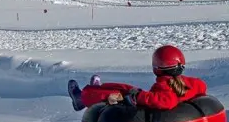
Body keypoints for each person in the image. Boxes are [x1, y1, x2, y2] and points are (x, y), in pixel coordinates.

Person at [67, 45, 207, 112]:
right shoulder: (190, 83)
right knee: (125, 88)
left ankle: (81, 99)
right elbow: (201, 86)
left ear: (156, 68)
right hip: (151, 103)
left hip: (143, 114)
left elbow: (166, 101)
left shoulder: (164, 85)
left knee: (119, 94)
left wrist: (139, 96)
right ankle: (96, 88)